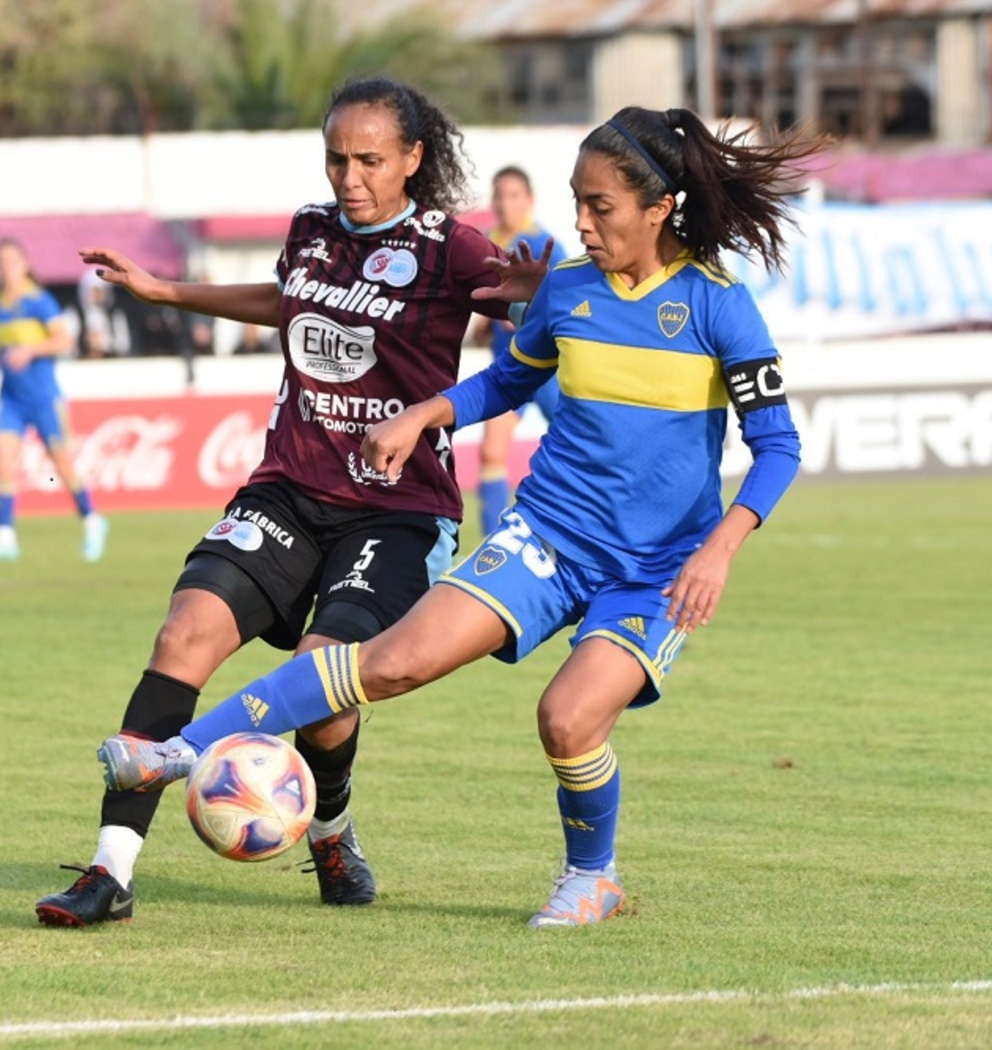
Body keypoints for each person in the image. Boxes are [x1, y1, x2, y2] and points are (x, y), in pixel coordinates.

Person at [97, 105, 821, 928]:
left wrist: (720, 548)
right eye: (576, 201)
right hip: (546, 534)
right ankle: (178, 753)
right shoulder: (569, 291)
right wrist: (423, 415)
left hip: (658, 567)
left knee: (568, 718)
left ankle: (594, 877)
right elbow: (508, 382)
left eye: (601, 208)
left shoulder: (718, 306)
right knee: (391, 662)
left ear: (660, 208)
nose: (580, 224)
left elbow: (779, 446)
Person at [37, 76, 548, 926]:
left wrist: (543, 289)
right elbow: (287, 307)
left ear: (413, 160)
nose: (350, 176)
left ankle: (332, 832)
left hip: (399, 508)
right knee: (183, 632)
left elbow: (526, 302)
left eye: (370, 160)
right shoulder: (311, 230)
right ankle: (108, 873)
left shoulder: (452, 247)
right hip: (289, 485)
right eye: (337, 157)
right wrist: (167, 293)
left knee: (322, 679)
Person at [0, 238, 108, 563]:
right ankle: (6, 533)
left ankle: (92, 520)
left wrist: (31, 350)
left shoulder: (39, 301)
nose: (6, 267)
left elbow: (64, 339)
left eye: (11, 261)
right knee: (3, 462)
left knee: (62, 464)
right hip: (12, 399)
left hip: (45, 399)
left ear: (24, 264)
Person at [474, 166, 567, 535]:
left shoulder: (547, 245)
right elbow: (486, 310)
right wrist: (486, 325)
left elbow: (563, 305)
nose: (505, 203)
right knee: (491, 454)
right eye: (500, 194)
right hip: (508, 372)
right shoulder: (485, 245)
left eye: (514, 195)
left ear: (529, 199)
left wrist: (526, 316)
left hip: (547, 372)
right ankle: (492, 548)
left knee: (573, 451)